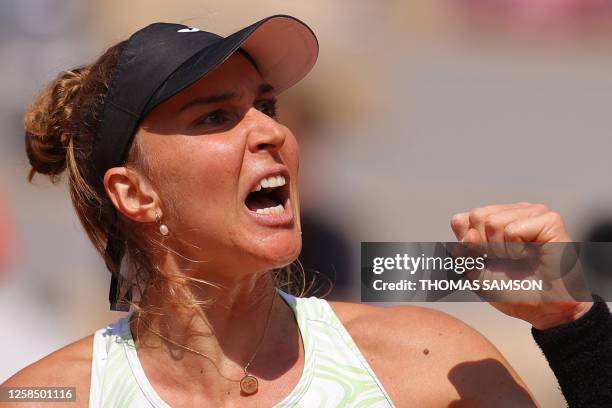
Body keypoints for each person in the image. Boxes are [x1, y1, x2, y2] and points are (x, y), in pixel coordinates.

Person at [2, 14, 611, 407]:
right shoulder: (50, 397)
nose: (271, 133)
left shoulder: (428, 366)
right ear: (134, 193)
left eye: (267, 106)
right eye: (215, 116)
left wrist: (575, 325)